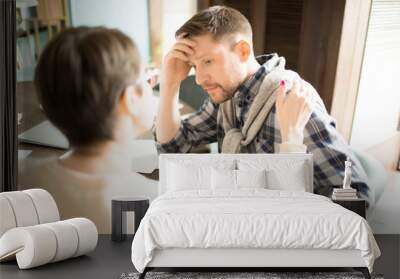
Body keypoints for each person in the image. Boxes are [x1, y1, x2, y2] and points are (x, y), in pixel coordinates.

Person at [154, 6, 370, 199]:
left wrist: (291, 145)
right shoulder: (229, 98)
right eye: (194, 66)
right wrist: (169, 85)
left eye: (208, 61)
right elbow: (174, 148)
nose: (199, 79)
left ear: (243, 51)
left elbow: (355, 199)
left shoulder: (291, 100)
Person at [19, 27, 158, 234]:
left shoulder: (22, 180)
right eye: (146, 78)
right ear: (130, 99)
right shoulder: (154, 203)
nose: (152, 84)